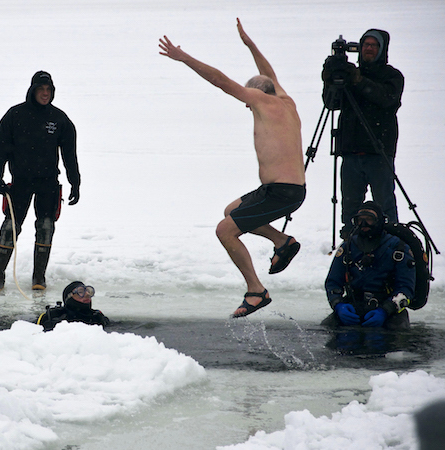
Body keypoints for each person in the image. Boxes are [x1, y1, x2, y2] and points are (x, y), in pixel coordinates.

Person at [159, 19, 306, 317]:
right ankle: (282, 241)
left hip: (282, 191)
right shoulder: (286, 101)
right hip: (282, 188)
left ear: (256, 94)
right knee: (231, 211)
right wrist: (250, 45)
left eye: (248, 98)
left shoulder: (261, 100)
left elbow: (220, 81)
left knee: (225, 230)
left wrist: (183, 57)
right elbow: (269, 75)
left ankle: (256, 291)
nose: (247, 105)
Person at [0, 70, 81, 292]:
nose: (45, 94)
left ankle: (39, 277)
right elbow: (0, 147)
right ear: (33, 91)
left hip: (48, 183)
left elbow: (70, 153)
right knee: (10, 227)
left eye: (49, 90)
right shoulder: (15, 115)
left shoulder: (59, 119)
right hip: (20, 182)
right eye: (41, 89)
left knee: (46, 227)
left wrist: (74, 182)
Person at [323, 30, 404, 239]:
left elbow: (385, 99)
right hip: (350, 150)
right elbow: (332, 104)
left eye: (373, 45)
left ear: (382, 49)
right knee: (350, 205)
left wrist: (358, 80)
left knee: (385, 203)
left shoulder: (392, 76)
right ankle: (351, 241)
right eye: (365, 44)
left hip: (379, 150)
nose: (368, 48)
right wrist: (330, 79)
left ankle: (391, 241)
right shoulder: (350, 75)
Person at [323, 201, 414, 331]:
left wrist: (386, 310)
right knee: (326, 331)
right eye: (360, 220)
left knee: (396, 336)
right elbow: (333, 282)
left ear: (379, 221)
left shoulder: (398, 248)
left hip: (388, 311)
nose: (364, 225)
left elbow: (406, 289)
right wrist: (338, 305)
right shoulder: (348, 247)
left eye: (369, 219)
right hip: (353, 307)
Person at [37, 281, 110, 331]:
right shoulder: (54, 316)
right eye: (81, 292)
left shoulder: (97, 317)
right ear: (69, 298)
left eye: (88, 291)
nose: (87, 294)